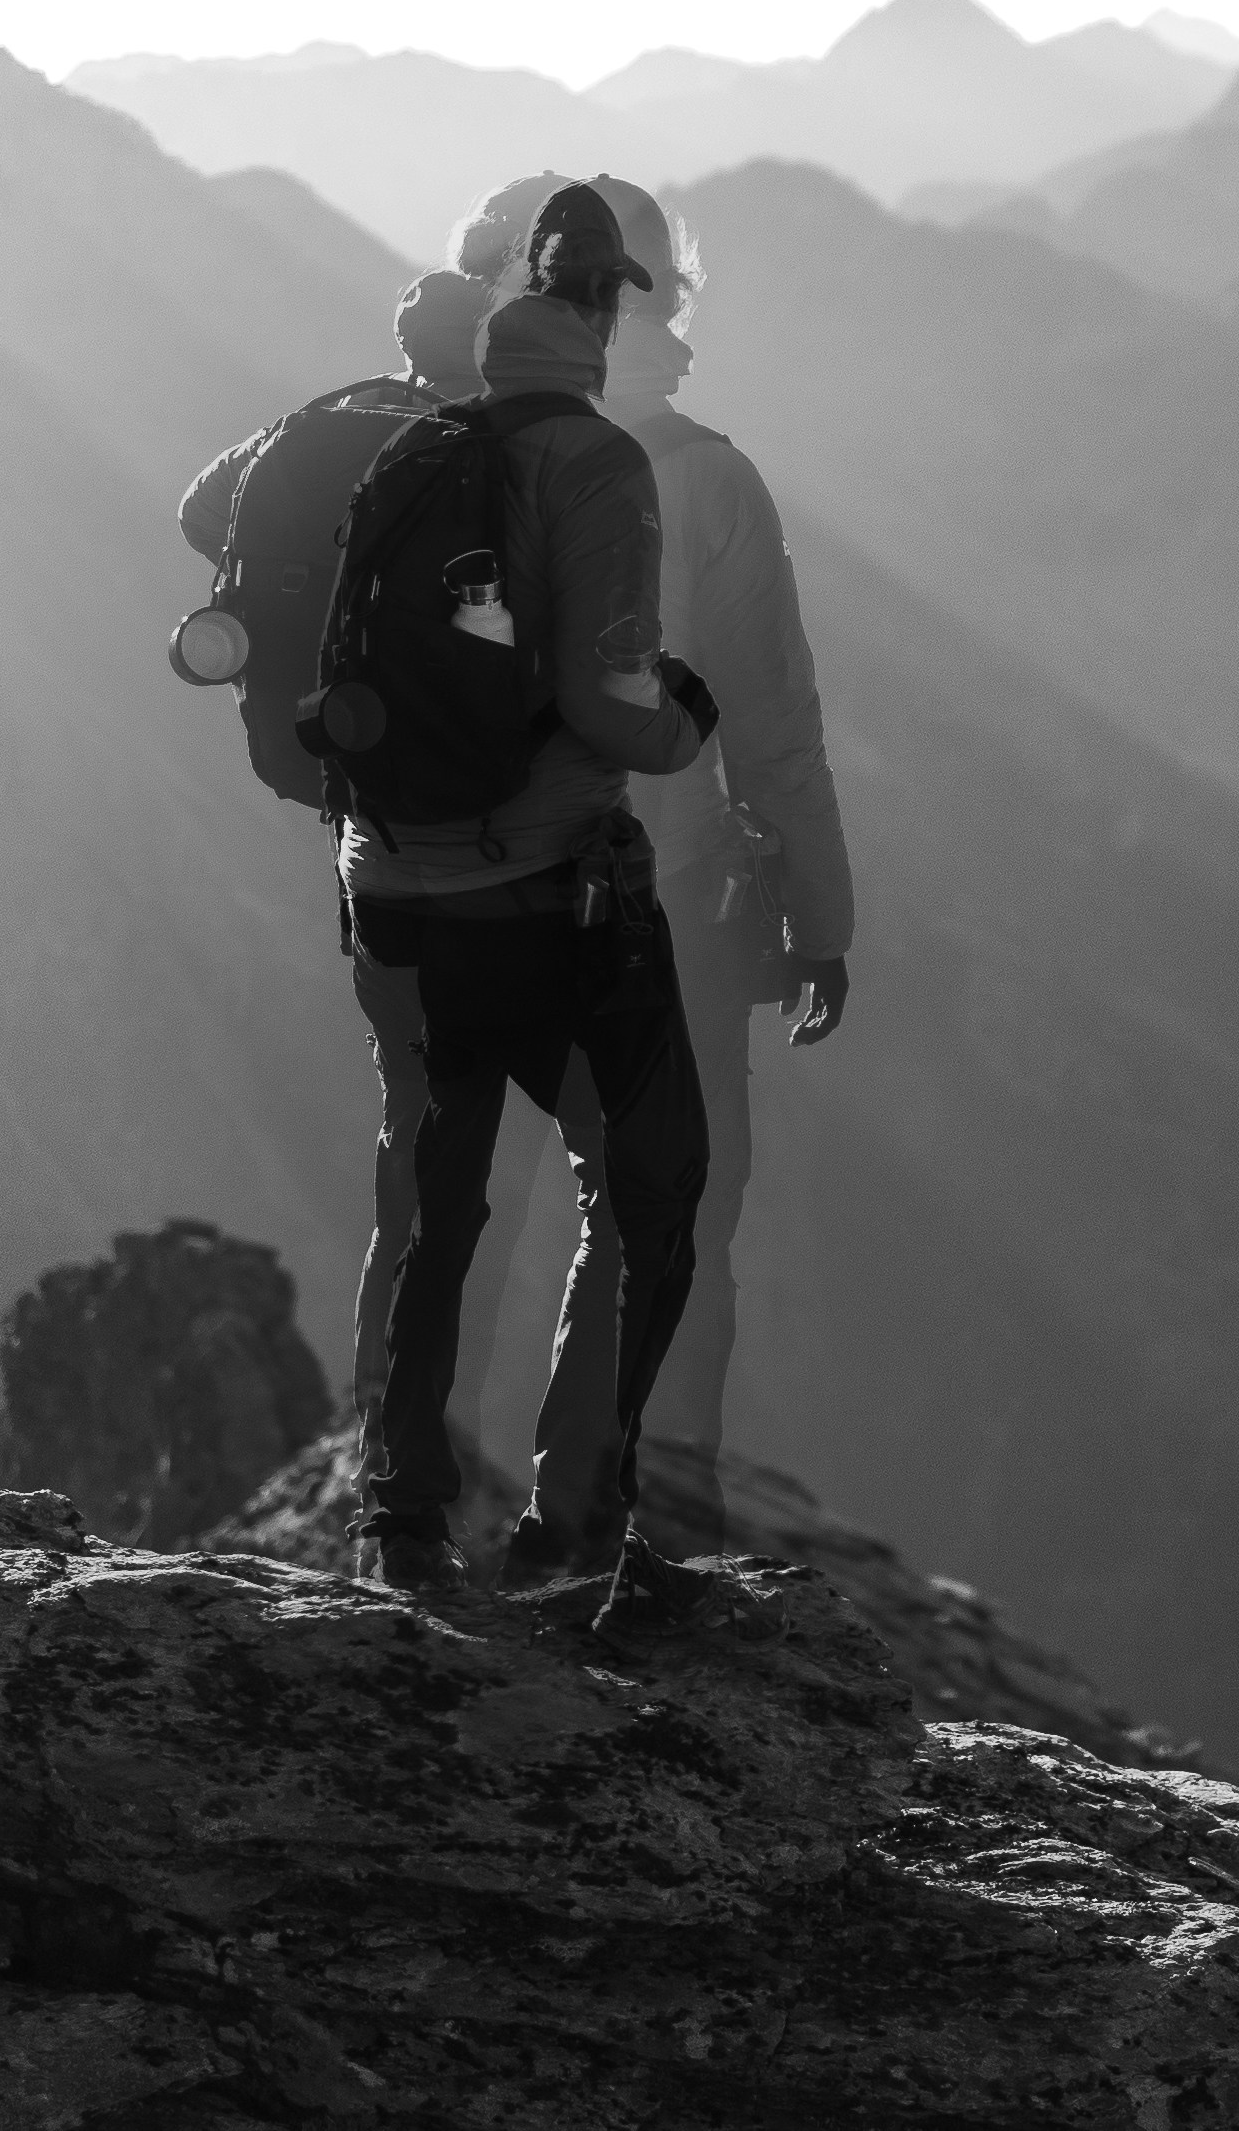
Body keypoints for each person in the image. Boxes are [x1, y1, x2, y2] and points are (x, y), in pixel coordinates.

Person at [337, 183, 724, 1625]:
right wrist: (688, 715)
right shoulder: (597, 463)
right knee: (647, 1186)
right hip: (551, 897)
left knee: (431, 1194)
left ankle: (400, 1520)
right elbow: (607, 699)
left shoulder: (412, 451)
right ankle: (570, 1540)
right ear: (604, 322)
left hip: (391, 888)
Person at [501, 173, 851, 1579]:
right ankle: (640, 1531)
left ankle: (433, 1526)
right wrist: (819, 923)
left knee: (457, 1200)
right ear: (667, 293)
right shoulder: (704, 473)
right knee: (672, 1216)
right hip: (662, 904)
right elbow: (770, 719)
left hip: (466, 896)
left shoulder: (460, 447)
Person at [182, 265, 497, 1416]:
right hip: (470, 815)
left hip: (343, 791)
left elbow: (196, 513)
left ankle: (386, 1434)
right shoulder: (490, 448)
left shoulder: (317, 421)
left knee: (409, 1121)